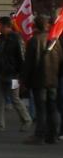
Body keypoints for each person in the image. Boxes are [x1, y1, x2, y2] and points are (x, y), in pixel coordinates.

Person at [22, 16, 63, 144]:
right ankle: (53, 135)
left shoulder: (34, 41)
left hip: (39, 80)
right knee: (52, 107)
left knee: (41, 108)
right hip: (53, 79)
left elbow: (29, 64)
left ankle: (39, 135)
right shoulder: (55, 41)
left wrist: (25, 81)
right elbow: (61, 61)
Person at [0, 16, 32, 133]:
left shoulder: (17, 39)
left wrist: (21, 75)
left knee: (14, 98)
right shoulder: (1, 39)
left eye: (0, 25)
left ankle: (26, 120)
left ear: (6, 26)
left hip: (13, 75)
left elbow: (22, 58)